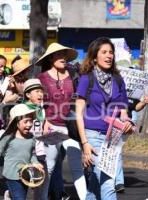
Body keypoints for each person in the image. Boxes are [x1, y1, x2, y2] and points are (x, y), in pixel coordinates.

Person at [75, 37, 134, 200]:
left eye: (111, 52)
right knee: (108, 181)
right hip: (92, 136)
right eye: (104, 52)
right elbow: (78, 114)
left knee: (94, 186)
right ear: (94, 57)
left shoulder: (118, 79)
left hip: (113, 137)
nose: (109, 56)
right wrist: (85, 143)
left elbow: (123, 112)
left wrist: (127, 121)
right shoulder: (87, 78)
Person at [36, 42, 86, 200]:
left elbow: (81, 97)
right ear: (51, 58)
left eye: (64, 54)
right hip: (51, 126)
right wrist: (43, 122)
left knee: (77, 167)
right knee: (49, 167)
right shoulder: (42, 78)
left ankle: (86, 198)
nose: (63, 57)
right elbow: (38, 103)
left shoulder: (74, 74)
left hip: (71, 127)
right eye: (59, 54)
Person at [0, 104, 43, 200]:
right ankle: (11, 194)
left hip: (25, 175)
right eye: (26, 121)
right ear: (16, 123)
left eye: (31, 121)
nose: (29, 124)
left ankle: (9, 195)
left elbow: (32, 154)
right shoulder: (8, 138)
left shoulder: (31, 138)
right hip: (12, 174)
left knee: (22, 196)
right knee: (19, 197)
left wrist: (36, 163)